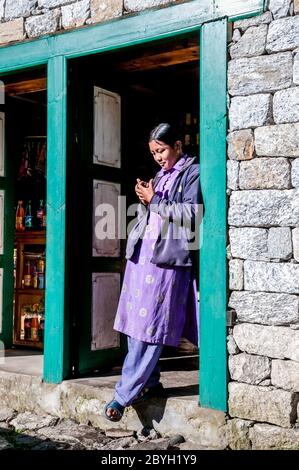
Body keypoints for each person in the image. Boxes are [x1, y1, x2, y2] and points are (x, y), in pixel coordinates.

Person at [104, 122, 203, 422]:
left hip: (166, 262)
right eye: (154, 153)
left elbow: (192, 215)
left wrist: (155, 200)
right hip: (144, 258)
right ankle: (148, 382)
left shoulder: (191, 173)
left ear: (177, 145)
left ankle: (123, 395)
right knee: (136, 324)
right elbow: (157, 213)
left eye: (161, 150)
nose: (158, 157)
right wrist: (146, 199)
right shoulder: (161, 174)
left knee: (151, 327)